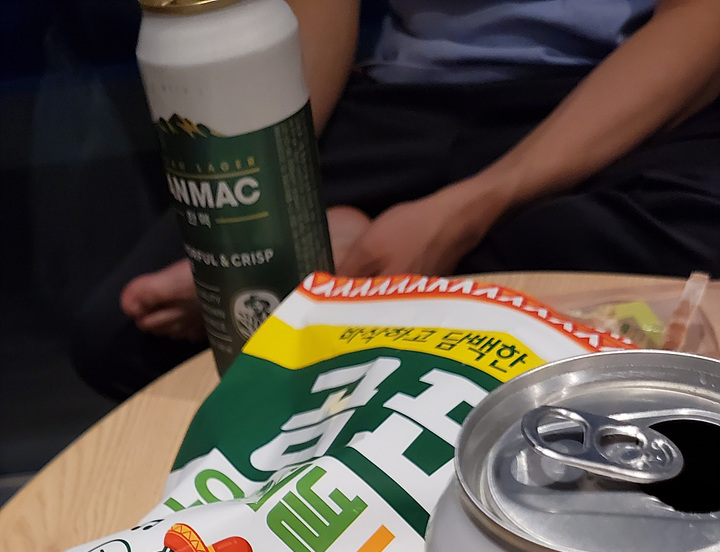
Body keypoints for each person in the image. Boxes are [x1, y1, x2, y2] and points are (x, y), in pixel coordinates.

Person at [73, 0, 720, 400]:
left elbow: (701, 19)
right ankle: (360, 276)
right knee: (120, 338)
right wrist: (276, 195)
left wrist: (469, 209)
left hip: (611, 96)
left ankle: (340, 279)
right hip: (406, 95)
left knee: (685, 260)